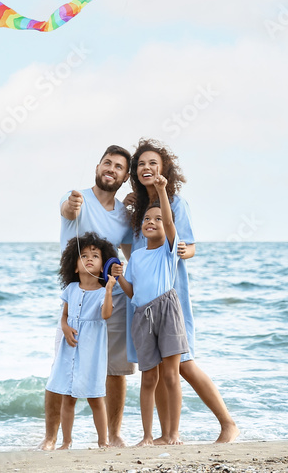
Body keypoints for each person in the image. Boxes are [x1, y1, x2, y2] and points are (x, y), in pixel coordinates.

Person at [125, 139, 239, 444]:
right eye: (141, 164)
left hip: (171, 294)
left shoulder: (175, 203)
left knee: (184, 363)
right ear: (136, 172)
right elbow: (133, 252)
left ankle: (227, 423)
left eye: (153, 163)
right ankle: (166, 434)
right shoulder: (137, 211)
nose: (147, 168)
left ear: (164, 169)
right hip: (143, 300)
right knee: (158, 369)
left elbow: (187, 246)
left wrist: (183, 251)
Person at [41, 145, 134, 450]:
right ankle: (51, 438)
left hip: (113, 297)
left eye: (119, 166)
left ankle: (112, 435)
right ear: (97, 166)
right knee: (61, 368)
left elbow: (130, 255)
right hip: (77, 295)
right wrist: (72, 204)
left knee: (115, 369)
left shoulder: (124, 214)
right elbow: (67, 210)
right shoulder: (77, 198)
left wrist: (133, 287)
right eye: (107, 163)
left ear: (125, 176)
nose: (111, 168)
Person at [114, 175, 187, 446]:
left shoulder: (169, 250)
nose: (151, 222)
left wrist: (161, 190)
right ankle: (147, 436)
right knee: (148, 378)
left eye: (156, 219)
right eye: (146, 219)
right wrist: (119, 275)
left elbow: (169, 222)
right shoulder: (137, 256)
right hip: (141, 315)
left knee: (170, 375)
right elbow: (132, 291)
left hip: (168, 310)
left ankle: (173, 434)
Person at [45, 233, 119, 449]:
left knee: (95, 397)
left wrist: (108, 290)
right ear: (75, 266)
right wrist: (65, 328)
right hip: (71, 347)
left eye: (95, 256)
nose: (89, 258)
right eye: (84, 255)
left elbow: (106, 315)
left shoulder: (102, 292)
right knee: (68, 398)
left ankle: (103, 442)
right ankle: (66, 441)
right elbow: (64, 315)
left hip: (91, 351)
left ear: (103, 265)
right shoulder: (70, 289)